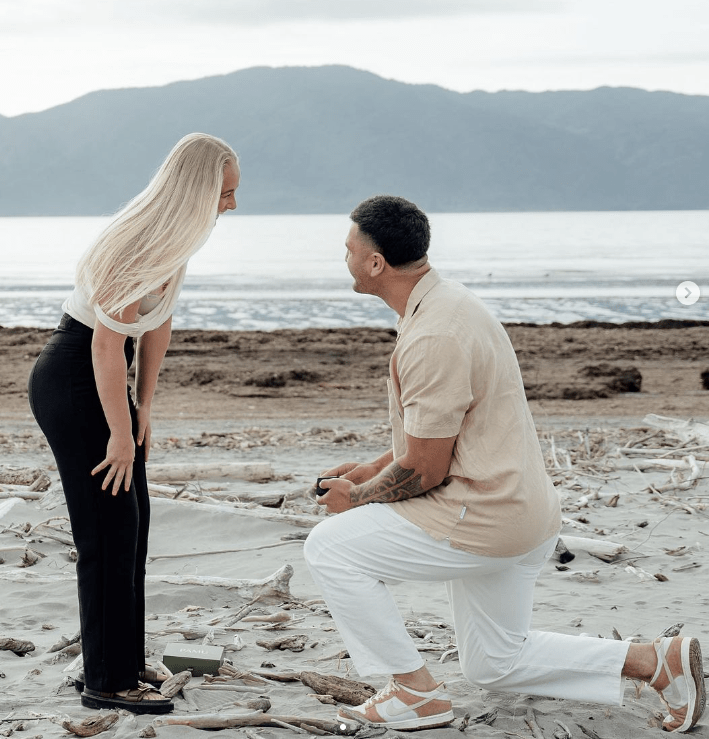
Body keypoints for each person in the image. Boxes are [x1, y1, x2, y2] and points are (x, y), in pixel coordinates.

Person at [303, 195, 706, 733]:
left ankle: (413, 693)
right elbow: (438, 433)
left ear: (375, 263)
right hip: (521, 510)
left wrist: (355, 498)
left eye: (348, 250)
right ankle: (655, 660)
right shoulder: (447, 305)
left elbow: (424, 470)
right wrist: (368, 470)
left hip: (484, 514)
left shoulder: (434, 335)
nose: (344, 259)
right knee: (495, 661)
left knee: (330, 547)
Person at [28, 133, 240, 714]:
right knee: (107, 530)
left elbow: (157, 326)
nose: (232, 204)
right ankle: (105, 679)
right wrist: (119, 434)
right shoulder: (139, 244)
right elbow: (102, 343)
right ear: (196, 192)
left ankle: (120, 658)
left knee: (134, 524)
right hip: (75, 378)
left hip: (104, 379)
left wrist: (144, 404)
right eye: (225, 192)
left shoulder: (176, 243)